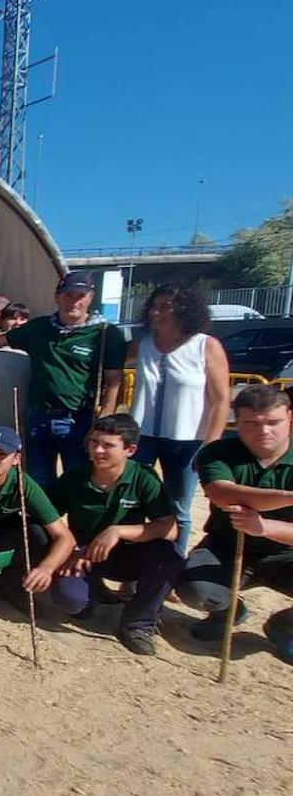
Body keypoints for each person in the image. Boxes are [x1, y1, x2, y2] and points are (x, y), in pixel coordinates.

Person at [0, 271, 128, 491]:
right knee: (38, 482)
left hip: (79, 420)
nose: (74, 301)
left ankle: (76, 526)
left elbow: (114, 382)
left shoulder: (105, 334)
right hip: (38, 418)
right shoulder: (40, 328)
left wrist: (101, 423)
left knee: (80, 482)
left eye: (80, 295)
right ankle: (41, 525)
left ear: (90, 297)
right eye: (68, 295)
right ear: (57, 297)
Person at [176, 385, 293, 665]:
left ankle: (284, 625)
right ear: (236, 422)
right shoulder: (219, 453)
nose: (263, 431)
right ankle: (228, 613)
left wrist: (263, 526)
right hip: (227, 546)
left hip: (286, 552)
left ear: (290, 417)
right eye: (251, 423)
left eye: (273, 422)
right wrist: (288, 497)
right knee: (194, 588)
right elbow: (222, 493)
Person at [48, 414, 181, 656]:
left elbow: (169, 528)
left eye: (107, 445)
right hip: (85, 555)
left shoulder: (143, 477)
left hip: (130, 553)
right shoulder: (75, 477)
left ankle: (138, 625)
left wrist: (119, 531)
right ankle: (94, 592)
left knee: (167, 557)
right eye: (93, 442)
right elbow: (50, 519)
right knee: (72, 602)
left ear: (130, 450)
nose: (97, 450)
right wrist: (71, 548)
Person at [128, 282, 230, 555]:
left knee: (179, 507)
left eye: (164, 308)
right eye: (154, 306)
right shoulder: (143, 344)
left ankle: (171, 568)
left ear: (184, 311)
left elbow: (221, 400)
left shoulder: (205, 346)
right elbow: (108, 364)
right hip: (142, 437)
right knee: (133, 503)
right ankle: (131, 572)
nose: (155, 313)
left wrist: (210, 446)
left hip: (187, 441)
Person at [0, 426, 76, 613]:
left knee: (39, 532)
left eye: (1, 454)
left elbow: (65, 537)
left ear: (16, 459)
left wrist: (46, 568)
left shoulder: (24, 485)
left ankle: (12, 588)